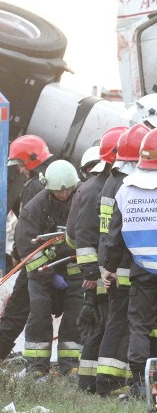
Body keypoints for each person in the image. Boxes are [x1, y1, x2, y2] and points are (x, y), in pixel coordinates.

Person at [0, 135, 56, 364]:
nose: (19, 171)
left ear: (30, 161)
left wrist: (19, 254)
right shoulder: (53, 179)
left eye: (19, 165)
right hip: (55, 259)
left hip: (35, 262)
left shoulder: (34, 186)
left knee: (15, 312)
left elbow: (26, 228)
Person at [68, 127, 126, 392]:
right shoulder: (97, 189)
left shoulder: (103, 185)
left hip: (104, 268)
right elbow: (84, 234)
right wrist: (90, 275)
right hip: (102, 272)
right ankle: (92, 382)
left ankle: (90, 382)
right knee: (99, 325)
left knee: (101, 325)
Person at [101, 124, 157, 399]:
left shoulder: (126, 190)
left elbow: (115, 235)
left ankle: (139, 385)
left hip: (142, 270)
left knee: (139, 326)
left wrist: (109, 268)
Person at [17, 159, 83, 376]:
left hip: (74, 270)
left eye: (68, 190)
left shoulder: (83, 199)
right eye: (59, 191)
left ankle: (70, 365)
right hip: (42, 271)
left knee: (77, 314)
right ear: (48, 188)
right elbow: (26, 246)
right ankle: (37, 367)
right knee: (39, 312)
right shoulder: (35, 207)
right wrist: (48, 274)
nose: (64, 195)